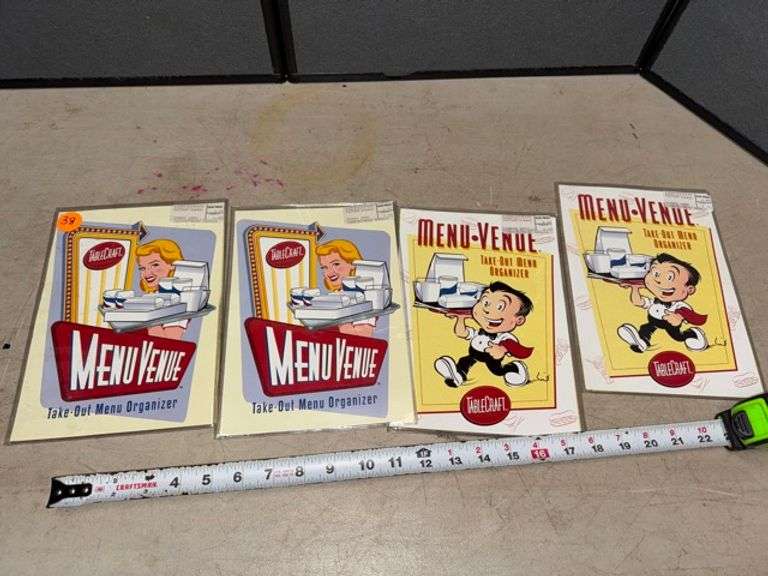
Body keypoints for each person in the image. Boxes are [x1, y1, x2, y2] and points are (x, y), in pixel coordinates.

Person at [434, 281, 534, 388]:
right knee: (464, 361)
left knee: (498, 371)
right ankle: (457, 377)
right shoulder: (479, 332)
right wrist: (460, 318)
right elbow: (461, 333)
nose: (486, 310)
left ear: (519, 320)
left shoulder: (503, 336)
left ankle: (515, 368)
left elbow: (517, 348)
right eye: (485, 302)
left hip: (491, 358)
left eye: (500, 306)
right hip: (474, 354)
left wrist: (502, 349)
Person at [618, 252, 708, 353]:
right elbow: (637, 302)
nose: (658, 281)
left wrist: (678, 317)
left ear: (689, 289)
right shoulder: (655, 301)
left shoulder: (678, 305)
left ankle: (693, 334)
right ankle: (641, 343)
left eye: (669, 277)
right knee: (645, 329)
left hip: (670, 325)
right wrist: (635, 288)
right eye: (656, 274)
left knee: (678, 337)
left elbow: (687, 313)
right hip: (654, 321)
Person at [316, 239, 376, 338]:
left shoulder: (363, 298)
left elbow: (363, 337)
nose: (329, 273)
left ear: (353, 264)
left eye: (336, 264)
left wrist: (340, 313)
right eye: (324, 267)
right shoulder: (335, 295)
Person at [136, 239, 187, 340]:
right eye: (142, 268)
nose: (147, 273)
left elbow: (168, 343)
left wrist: (148, 315)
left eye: (155, 265)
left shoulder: (177, 301)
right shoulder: (151, 296)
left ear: (173, 265)